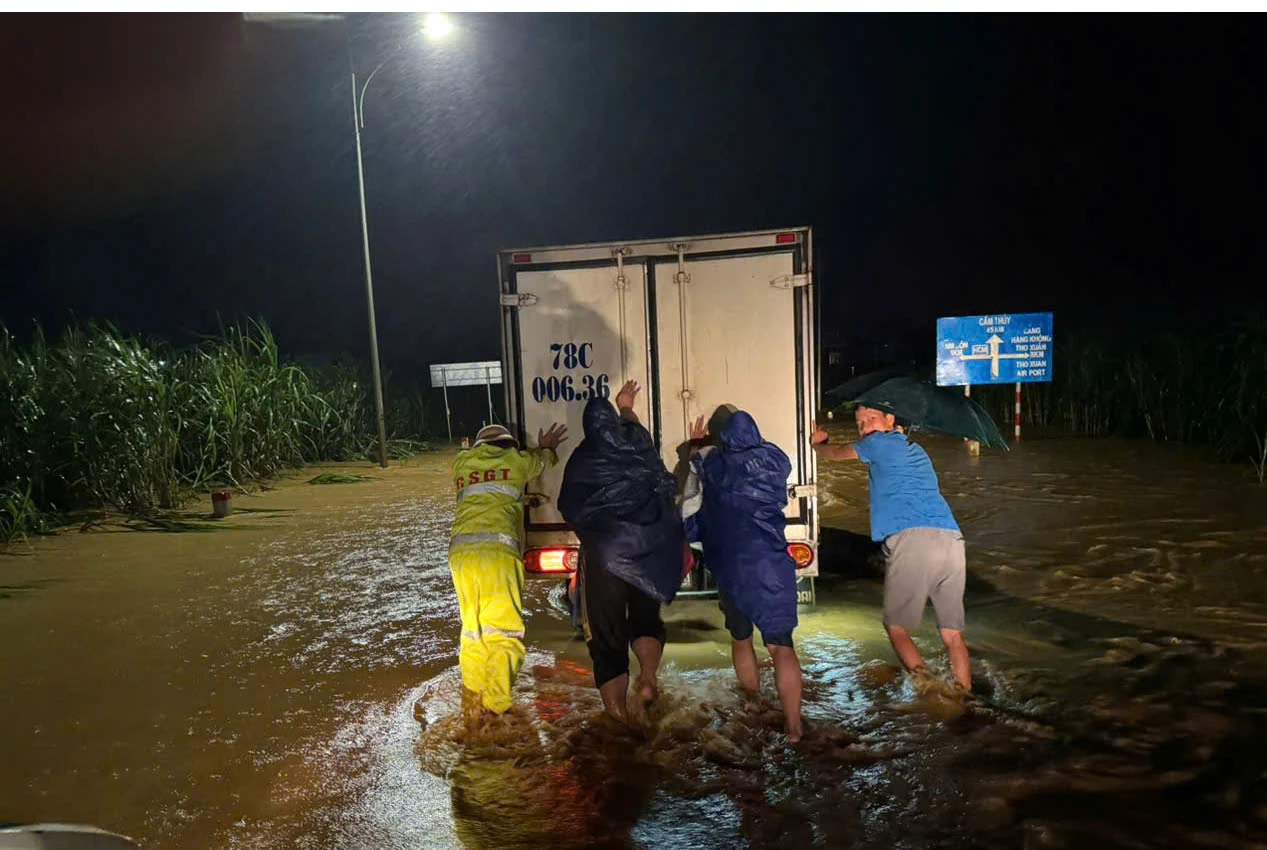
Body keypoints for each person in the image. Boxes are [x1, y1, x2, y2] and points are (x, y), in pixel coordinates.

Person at [812, 406, 971, 691]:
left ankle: (932, 692)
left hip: (914, 541)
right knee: (952, 634)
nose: (865, 427)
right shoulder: (917, 450)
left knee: (896, 628)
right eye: (860, 424)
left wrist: (818, 445)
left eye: (871, 419)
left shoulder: (878, 444)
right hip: (951, 541)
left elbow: (837, 454)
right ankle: (965, 695)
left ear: (890, 419)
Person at [558, 381, 687, 723]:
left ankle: (618, 719)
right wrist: (626, 404)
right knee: (646, 618)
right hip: (650, 548)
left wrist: (595, 536)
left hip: (606, 559)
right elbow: (637, 433)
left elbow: (568, 506)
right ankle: (647, 677)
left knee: (608, 639)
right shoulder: (637, 443)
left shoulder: (583, 458)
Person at [682, 408, 804, 743]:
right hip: (772, 566)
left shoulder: (715, 464)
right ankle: (794, 727)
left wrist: (695, 446)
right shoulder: (776, 460)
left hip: (731, 567)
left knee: (741, 639)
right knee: (782, 647)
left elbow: (692, 491)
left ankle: (754, 706)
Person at [450, 420, 567, 719]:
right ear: (510, 445)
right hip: (498, 553)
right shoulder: (516, 462)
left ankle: (472, 702)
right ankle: (497, 709)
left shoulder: (461, 463)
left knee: (474, 631)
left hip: (461, 555)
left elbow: (488, 494)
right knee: (503, 632)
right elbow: (544, 461)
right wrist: (546, 446)